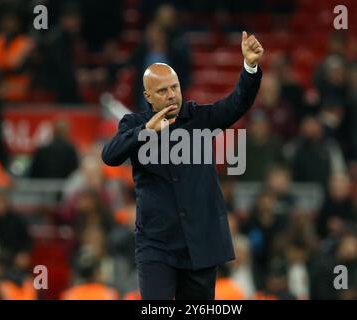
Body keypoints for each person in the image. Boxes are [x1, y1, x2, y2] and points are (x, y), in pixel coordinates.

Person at [101, 31, 264, 299]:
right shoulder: (134, 125)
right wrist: (146, 132)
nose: (171, 95)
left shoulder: (200, 118)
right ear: (148, 96)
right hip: (156, 246)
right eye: (162, 91)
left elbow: (237, 103)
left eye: (174, 88)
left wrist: (250, 66)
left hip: (200, 243)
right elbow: (110, 155)